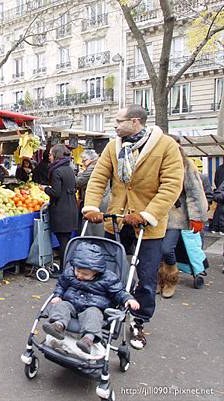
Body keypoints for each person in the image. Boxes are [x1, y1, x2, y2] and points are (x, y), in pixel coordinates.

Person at [82, 105, 183, 350]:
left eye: (119, 121)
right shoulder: (113, 146)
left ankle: (139, 322)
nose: (115, 126)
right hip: (115, 219)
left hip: (147, 225)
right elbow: (98, 178)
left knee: (146, 278)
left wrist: (148, 214)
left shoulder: (166, 146)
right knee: (108, 273)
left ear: (135, 122)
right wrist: (91, 207)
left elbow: (171, 185)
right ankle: (103, 316)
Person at [42, 242, 140, 354]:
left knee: (93, 315)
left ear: (96, 272)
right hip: (71, 304)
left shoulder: (108, 278)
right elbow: (61, 285)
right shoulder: (70, 273)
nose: (79, 275)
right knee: (61, 305)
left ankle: (88, 339)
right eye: (77, 271)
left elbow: (118, 291)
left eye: (84, 274)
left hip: (93, 307)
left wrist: (128, 299)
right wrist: (58, 295)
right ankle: (58, 326)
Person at [158, 144, 208, 298]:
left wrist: (197, 217)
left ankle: (171, 279)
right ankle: (156, 280)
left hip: (176, 215)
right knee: (153, 250)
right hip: (155, 213)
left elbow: (195, 191)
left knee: (167, 249)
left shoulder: (186, 165)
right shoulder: (155, 161)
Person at [40, 144, 77, 271]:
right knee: (66, 241)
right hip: (71, 208)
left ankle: (64, 270)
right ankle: (66, 268)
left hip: (61, 211)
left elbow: (56, 193)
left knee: (63, 243)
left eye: (50, 154)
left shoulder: (56, 171)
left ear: (56, 155)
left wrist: (45, 188)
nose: (49, 157)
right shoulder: (69, 169)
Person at [76, 149, 107, 237]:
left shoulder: (93, 168)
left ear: (92, 159)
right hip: (98, 200)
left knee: (93, 226)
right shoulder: (94, 166)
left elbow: (79, 181)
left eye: (84, 160)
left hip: (97, 201)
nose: (82, 162)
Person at [212, 163, 224, 234]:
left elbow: (215, 180)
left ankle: (215, 227)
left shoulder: (219, 168)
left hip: (219, 192)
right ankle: (221, 229)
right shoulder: (220, 168)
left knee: (219, 209)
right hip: (221, 192)